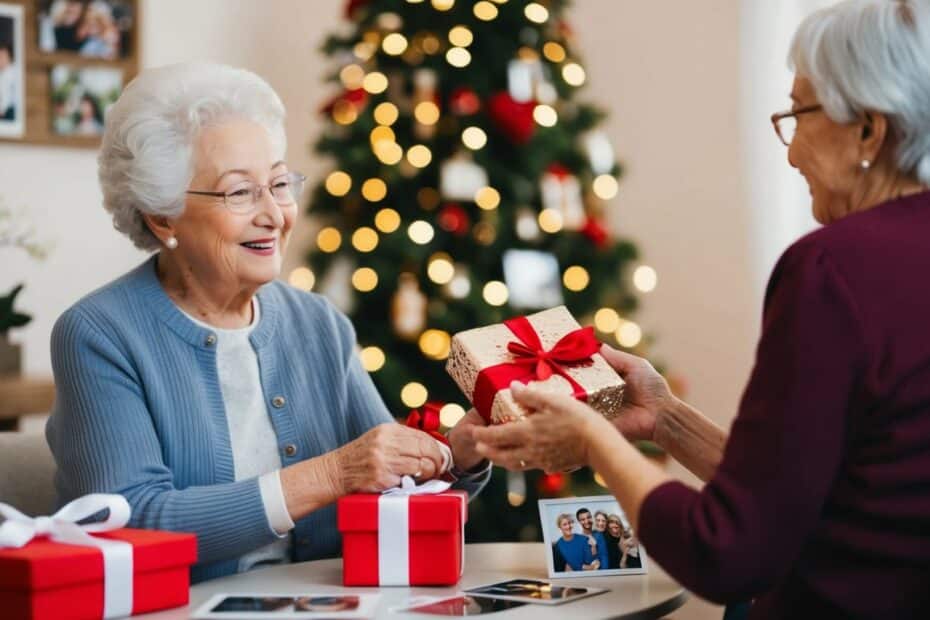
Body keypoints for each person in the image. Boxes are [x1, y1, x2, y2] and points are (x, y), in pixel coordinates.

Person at [471, 1, 930, 617]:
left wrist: (594, 441)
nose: (791, 154)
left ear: (870, 130)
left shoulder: (832, 268)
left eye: (799, 115)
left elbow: (728, 551)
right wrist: (664, 418)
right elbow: (808, 492)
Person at [45, 62, 491, 583]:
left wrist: (455, 458)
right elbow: (131, 520)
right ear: (161, 215)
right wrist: (330, 473)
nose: (274, 214)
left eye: (279, 184)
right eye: (239, 192)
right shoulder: (100, 334)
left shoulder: (318, 322)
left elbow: (389, 489)